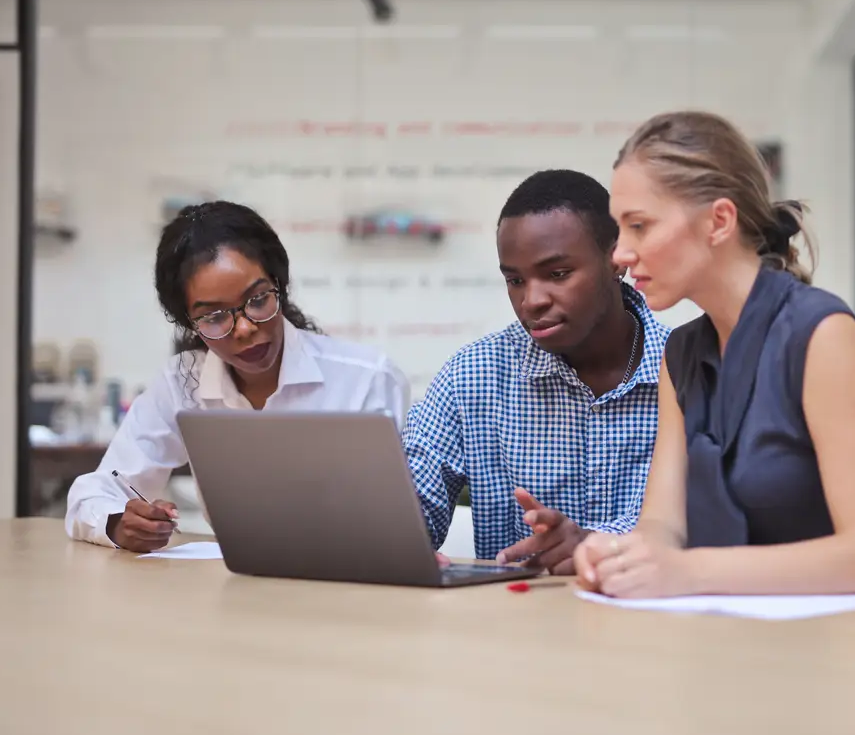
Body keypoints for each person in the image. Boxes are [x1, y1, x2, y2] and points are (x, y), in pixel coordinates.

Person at [574, 111, 855, 597]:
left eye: (639, 226)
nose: (620, 254)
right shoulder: (678, 354)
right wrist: (624, 556)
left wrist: (688, 573)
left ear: (719, 221)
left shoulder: (823, 335)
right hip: (743, 642)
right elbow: (663, 523)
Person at [65, 201, 410, 552]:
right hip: (236, 587)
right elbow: (94, 492)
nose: (244, 329)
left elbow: (399, 523)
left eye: (258, 300)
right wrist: (119, 522)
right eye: (214, 317)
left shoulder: (367, 380)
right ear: (190, 325)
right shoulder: (183, 382)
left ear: (281, 284)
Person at [404, 169, 672, 575]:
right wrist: (398, 536)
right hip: (514, 630)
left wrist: (596, 545)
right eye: (514, 280)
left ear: (616, 257)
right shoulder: (475, 374)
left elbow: (705, 523)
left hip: (657, 625)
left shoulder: (690, 370)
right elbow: (411, 504)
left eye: (557, 274)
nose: (531, 301)